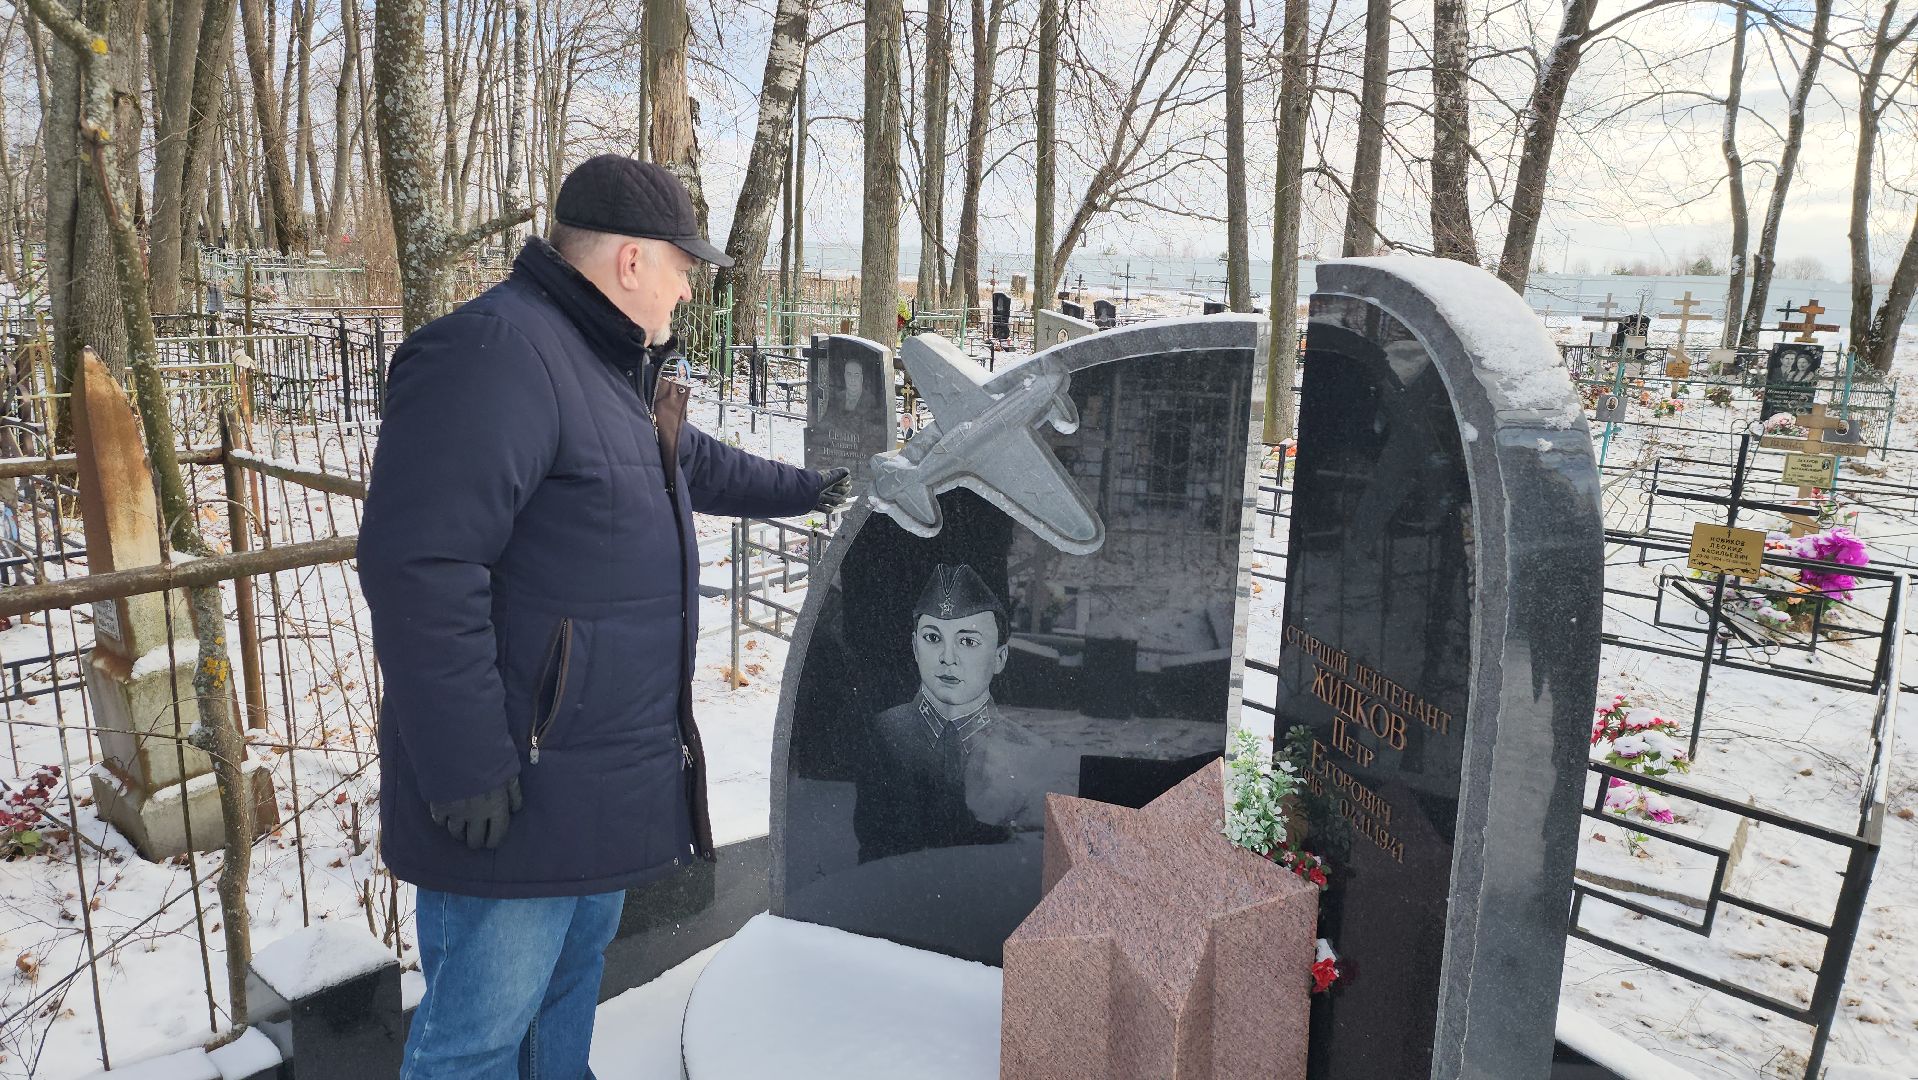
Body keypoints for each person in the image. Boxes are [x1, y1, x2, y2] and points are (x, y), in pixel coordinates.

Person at [357, 154, 852, 1080]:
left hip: (592, 787)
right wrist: (465, 764)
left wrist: (818, 490)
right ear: (631, 261)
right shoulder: (497, 354)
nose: (689, 288)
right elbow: (420, 566)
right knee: (476, 1041)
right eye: (683, 266)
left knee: (562, 1003)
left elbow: (689, 464)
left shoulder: (600, 361)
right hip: (511, 791)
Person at [853, 563, 1056, 862]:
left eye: (968, 641)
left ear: (999, 658)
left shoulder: (1030, 751)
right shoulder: (886, 733)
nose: (948, 658)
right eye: (933, 638)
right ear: (914, 647)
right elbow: (875, 849)